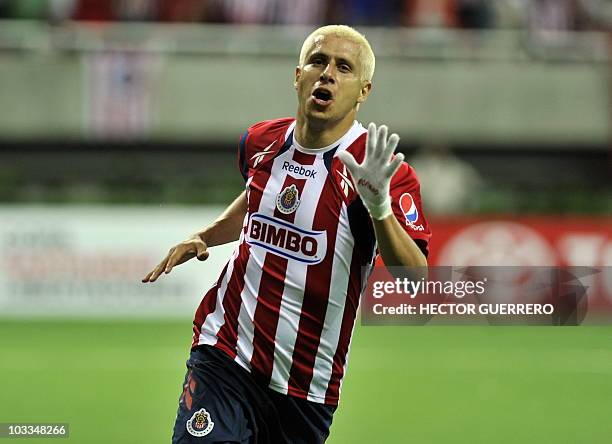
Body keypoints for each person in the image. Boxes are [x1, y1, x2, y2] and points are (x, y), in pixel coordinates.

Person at [142, 24, 431, 444]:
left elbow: (415, 279)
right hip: (225, 352)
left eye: (344, 67)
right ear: (298, 75)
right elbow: (255, 199)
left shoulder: (381, 171)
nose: (328, 73)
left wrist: (379, 206)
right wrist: (205, 235)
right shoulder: (262, 141)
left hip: (306, 384)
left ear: (364, 91)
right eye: (318, 61)